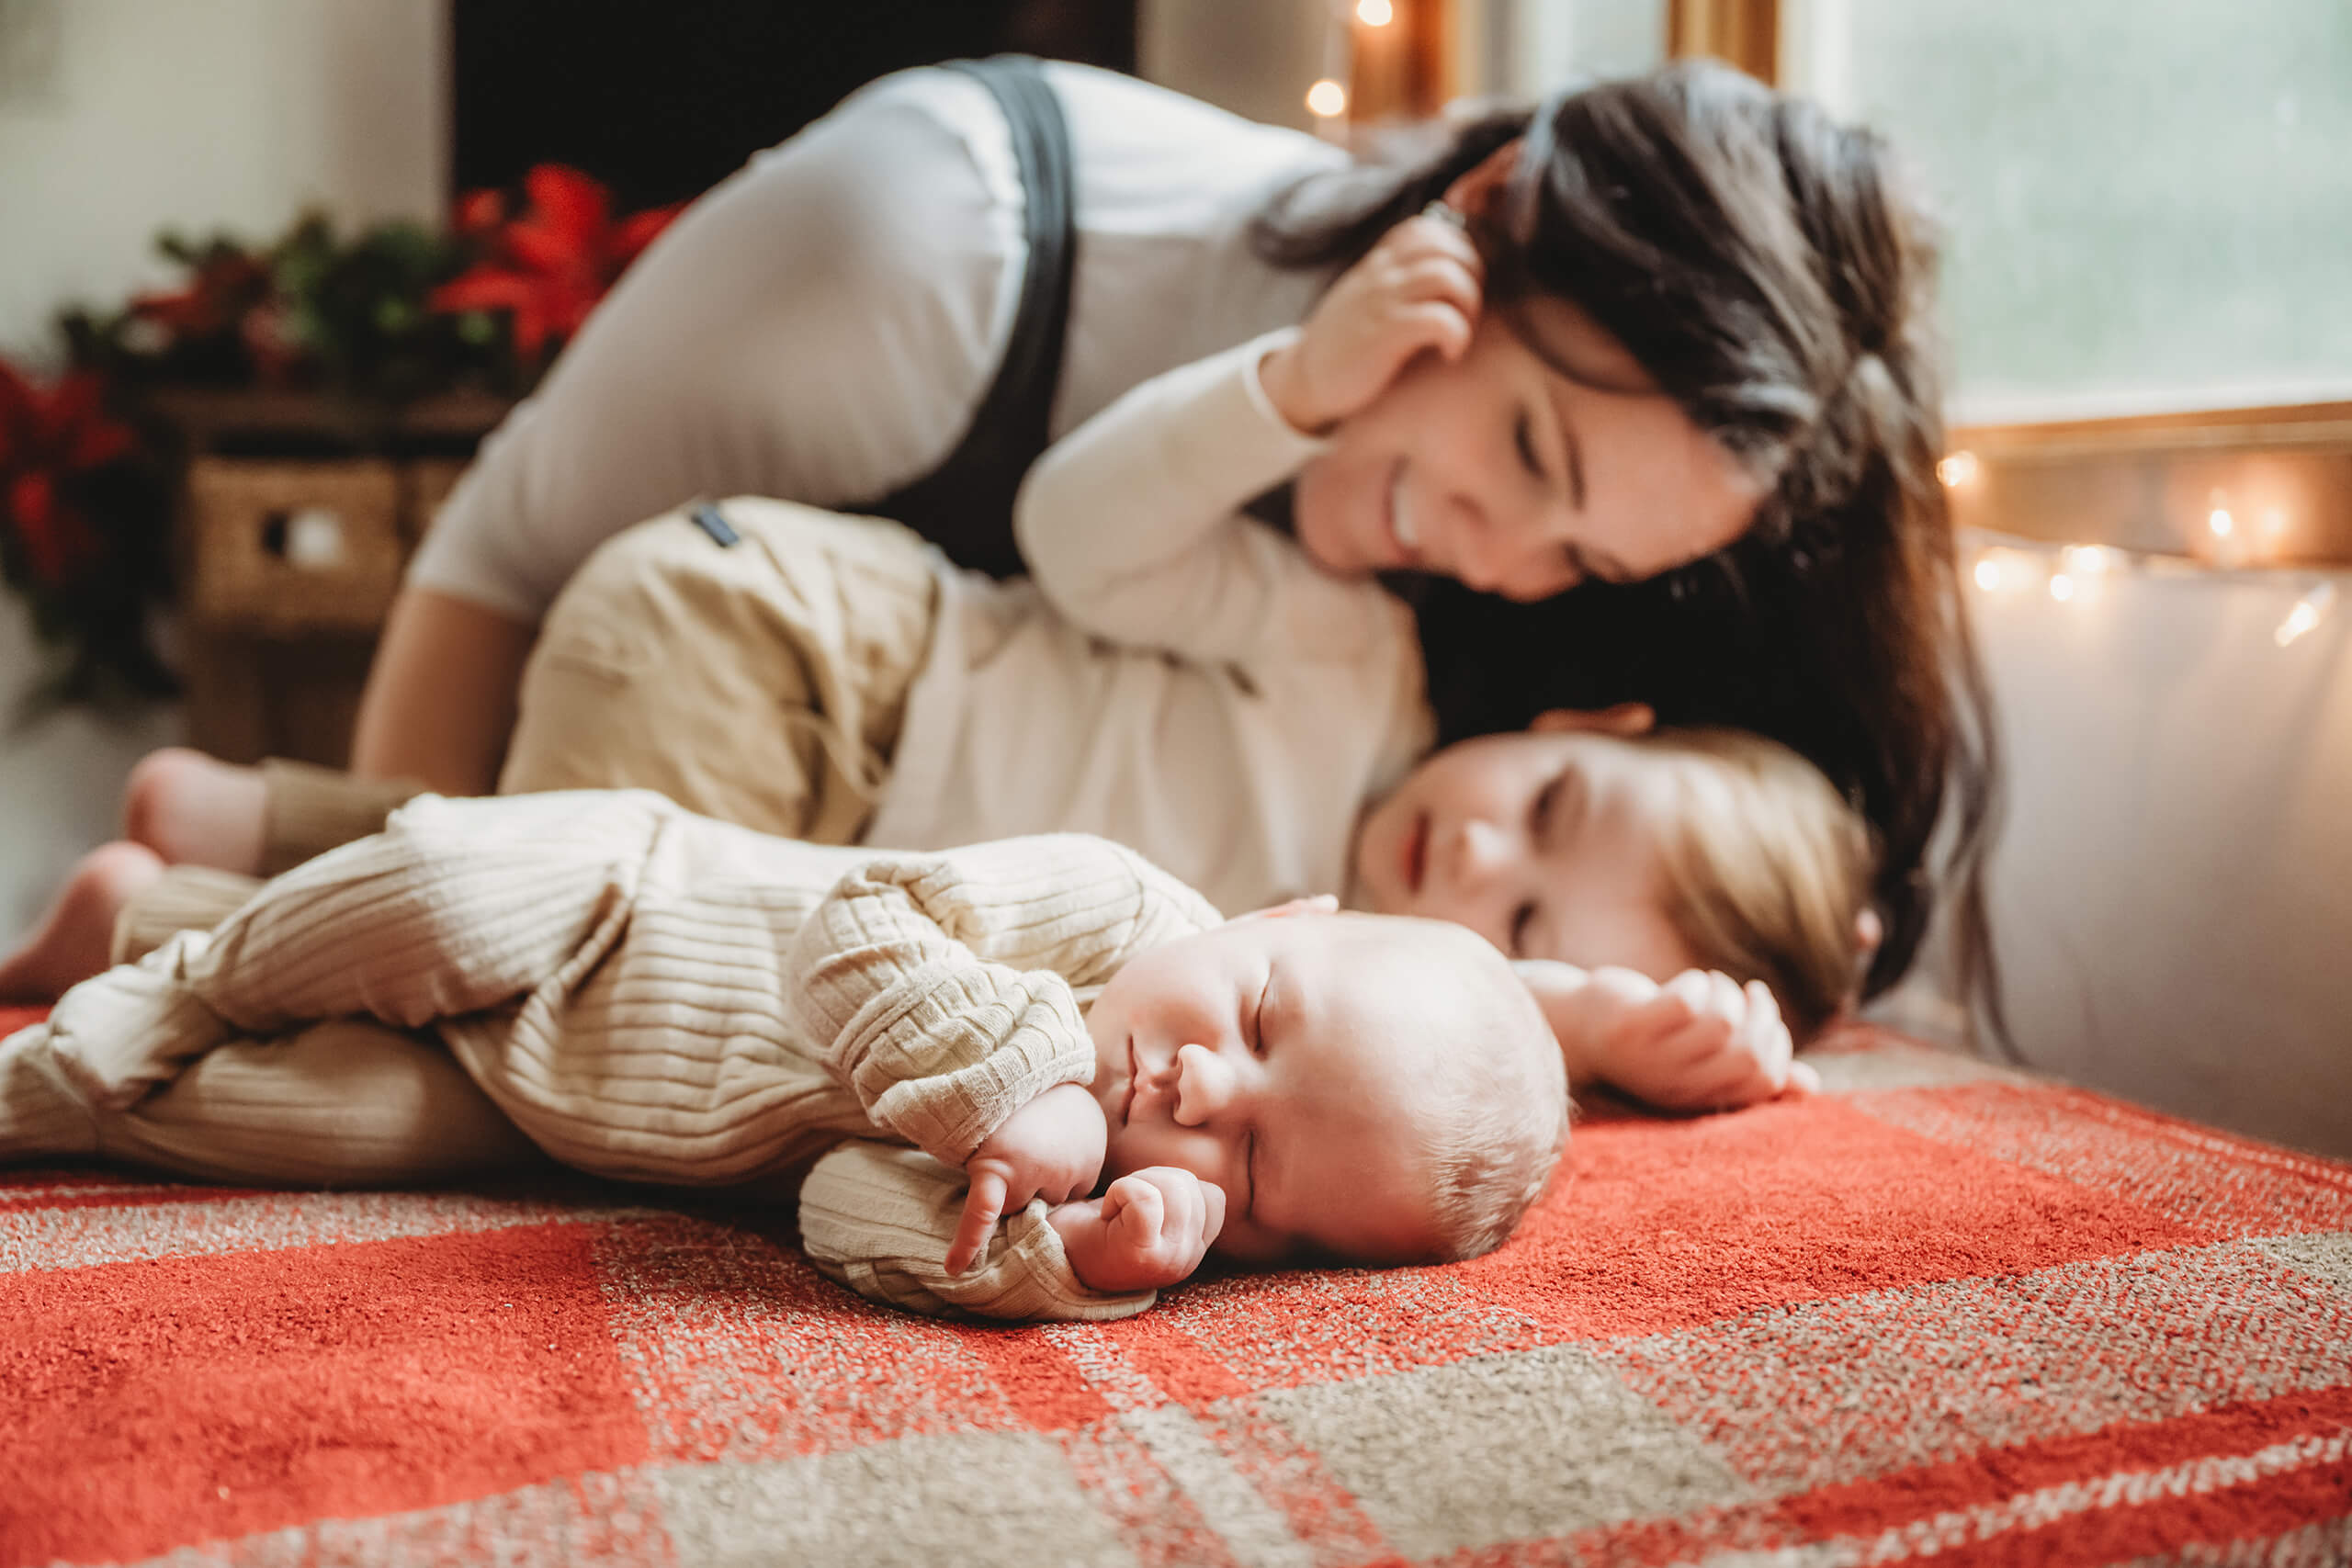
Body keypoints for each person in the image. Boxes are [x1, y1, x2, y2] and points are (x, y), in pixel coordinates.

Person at [264, 57, 1996, 1023]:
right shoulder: (912, 259)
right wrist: (398, 955)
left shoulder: (1420, 710)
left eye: (1585, 564)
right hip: (735, 658)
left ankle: (238, 841)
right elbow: (498, 562)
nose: (1494, 559)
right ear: (1473, 220)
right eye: (1528, 450)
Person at [0, 793, 1568, 1321]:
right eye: (1261, 1019)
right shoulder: (1111, 905)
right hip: (611, 901)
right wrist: (1020, 1081)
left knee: (310, 1126)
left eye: (1258, 1171)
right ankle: (181, 978)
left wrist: (1060, 1261)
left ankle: (75, 1033)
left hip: (537, 1108)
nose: (1205, 1092)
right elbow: (854, 923)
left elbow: (838, 1211)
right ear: (1280, 915)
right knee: (436, 898)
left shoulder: (1073, 1197)